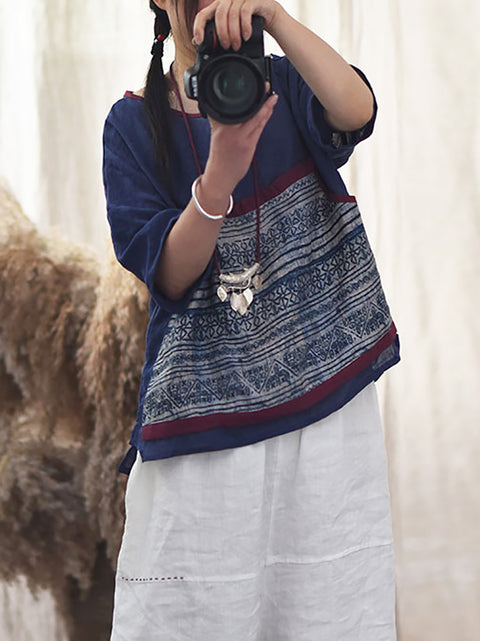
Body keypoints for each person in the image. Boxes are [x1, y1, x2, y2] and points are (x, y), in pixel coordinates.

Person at [103, 1, 400, 639]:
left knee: (330, 611)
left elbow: (357, 110)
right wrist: (218, 179)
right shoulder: (132, 124)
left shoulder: (284, 82)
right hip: (205, 430)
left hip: (324, 414)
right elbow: (172, 274)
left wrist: (275, 15)